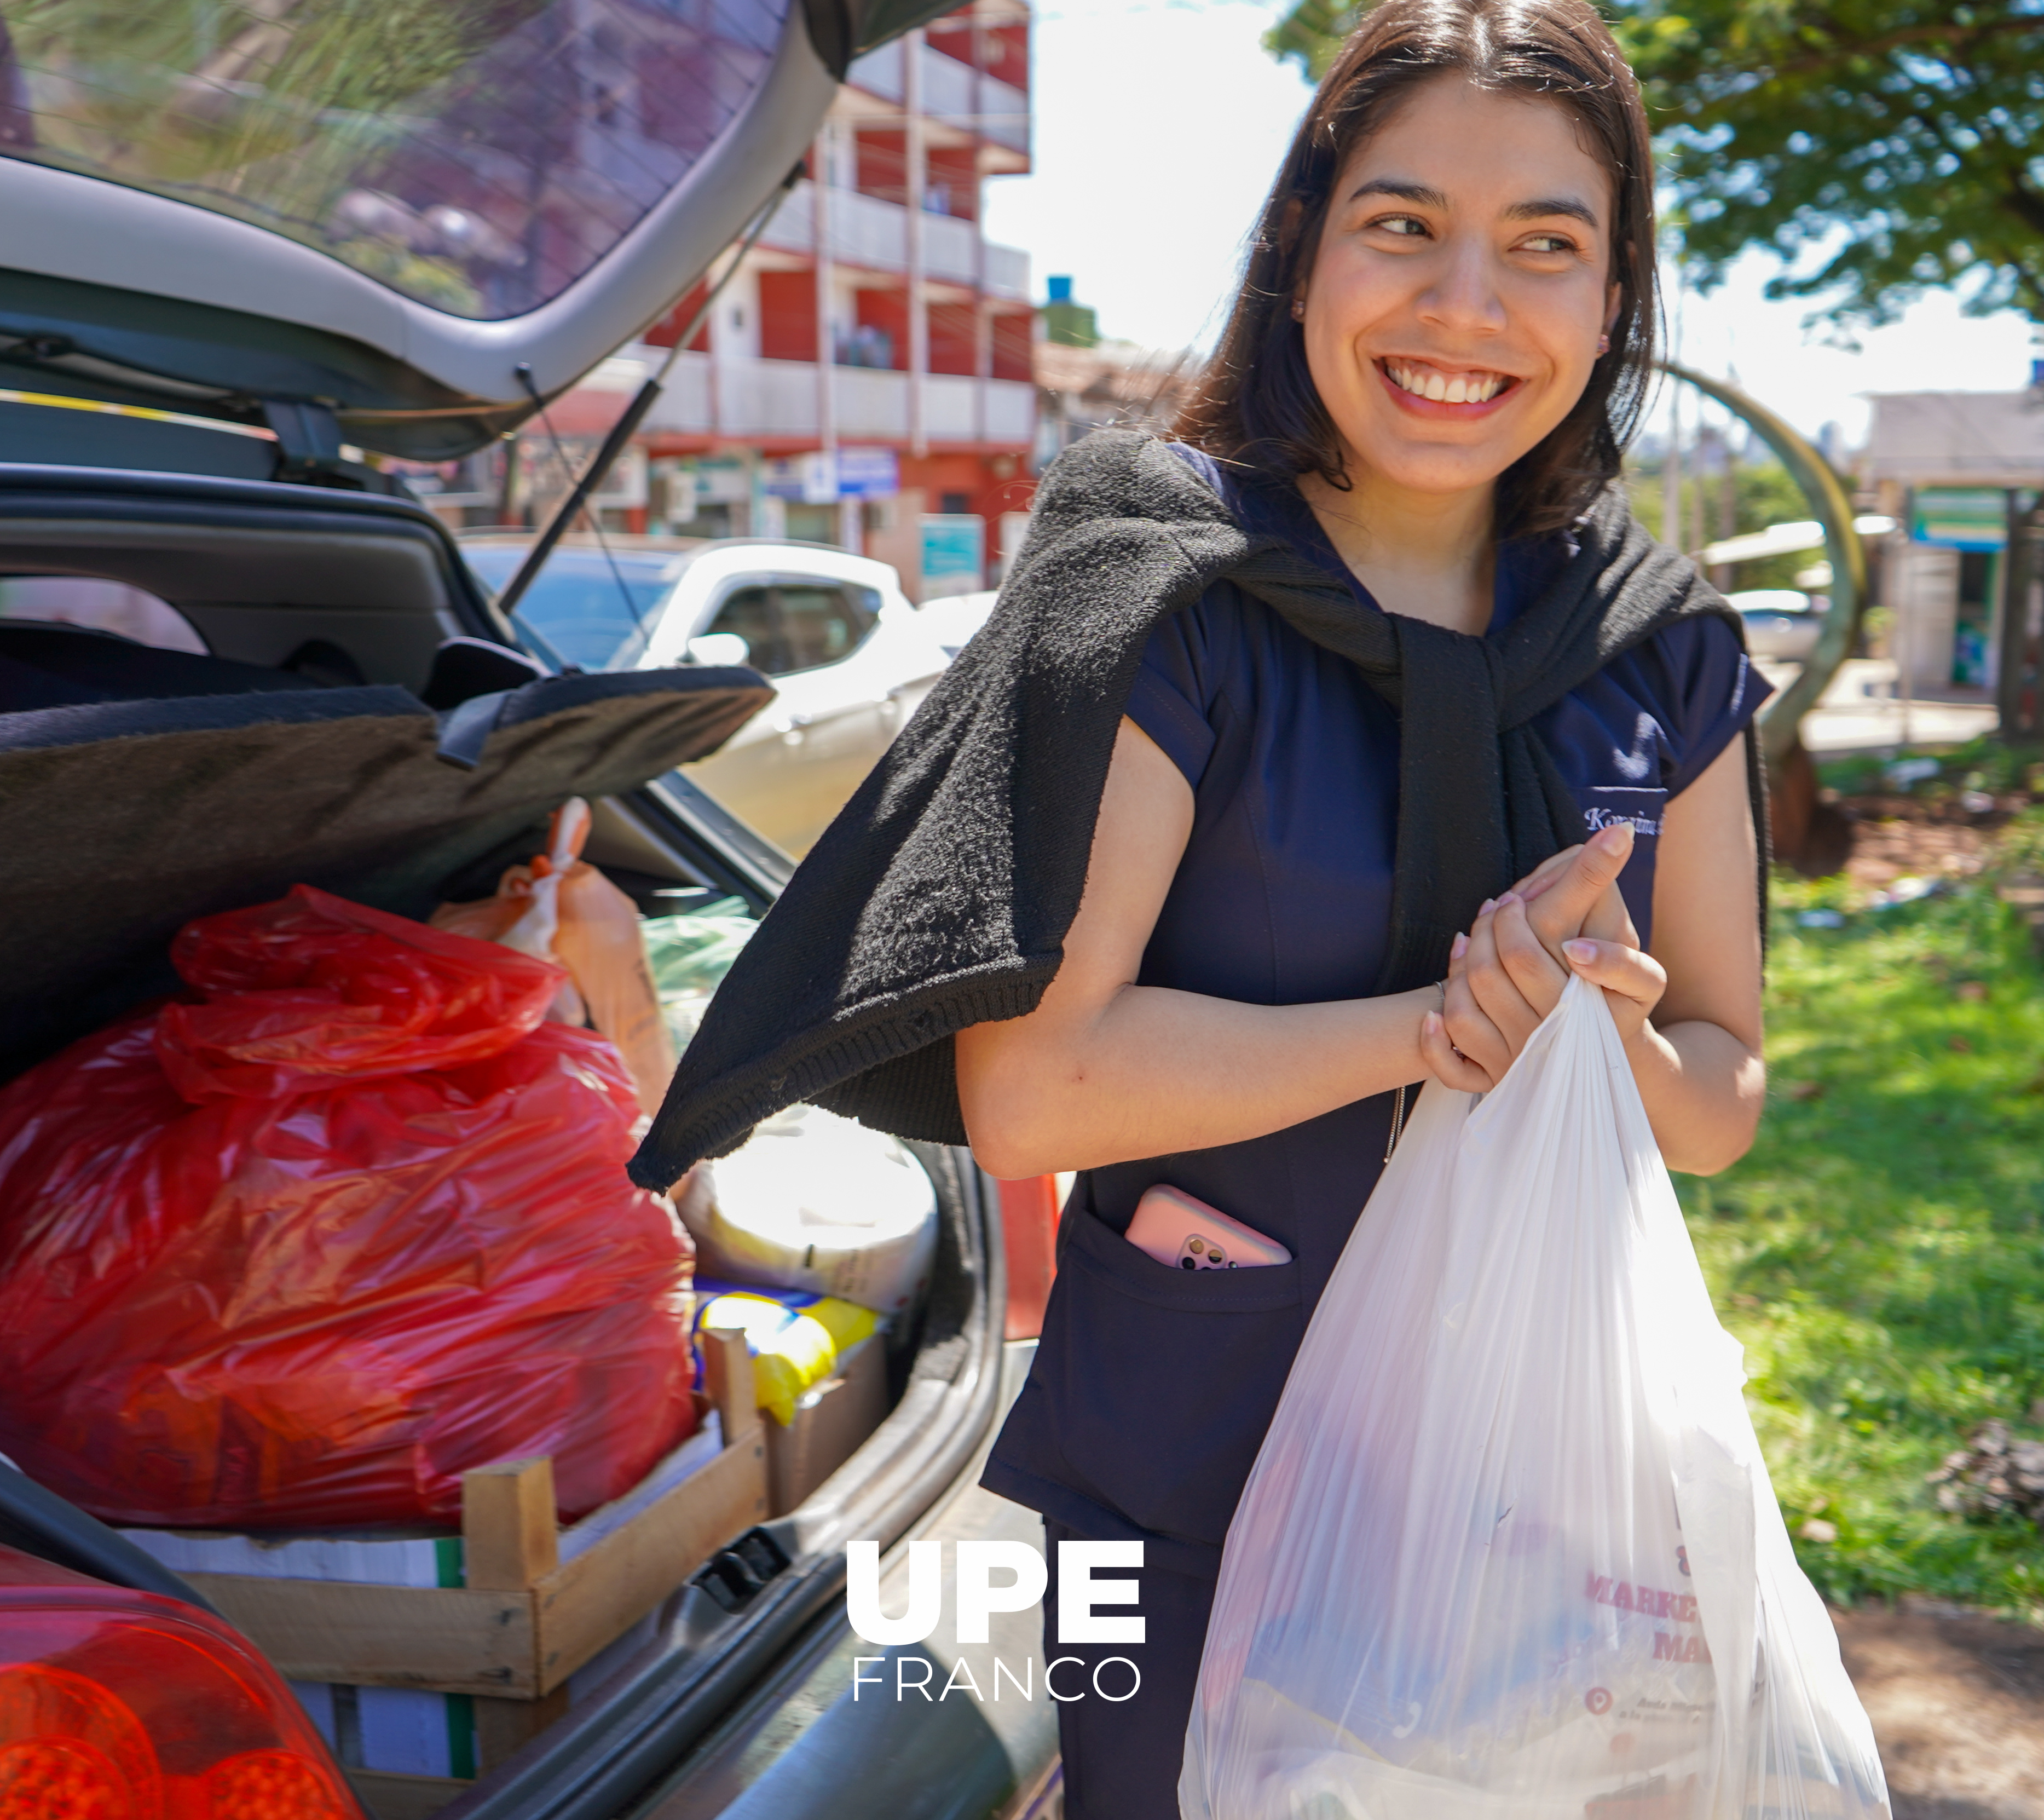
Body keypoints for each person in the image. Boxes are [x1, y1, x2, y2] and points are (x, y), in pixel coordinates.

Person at [627, 4, 1764, 1815]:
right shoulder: (1157, 587)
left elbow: (1720, 1095)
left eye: (1547, 246)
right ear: (1300, 247)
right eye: (1402, 225)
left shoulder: (1663, 649)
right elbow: (1039, 1092)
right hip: (1156, 1467)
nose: (1467, 307)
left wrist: (1614, 1029)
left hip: (1528, 1472)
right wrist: (1429, 1031)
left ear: (1617, 296)